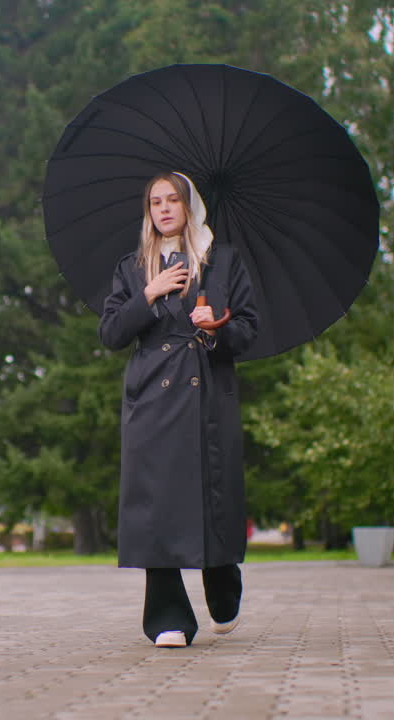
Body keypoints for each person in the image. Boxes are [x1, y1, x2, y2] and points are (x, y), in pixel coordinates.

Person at [98, 171, 259, 648]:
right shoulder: (133, 267)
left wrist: (217, 326)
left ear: (190, 206)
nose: (164, 209)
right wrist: (148, 294)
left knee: (214, 497)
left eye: (173, 200)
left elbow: (249, 329)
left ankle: (223, 588)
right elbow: (111, 334)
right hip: (152, 398)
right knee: (157, 505)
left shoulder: (222, 261)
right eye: (155, 202)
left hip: (208, 393)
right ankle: (168, 616)